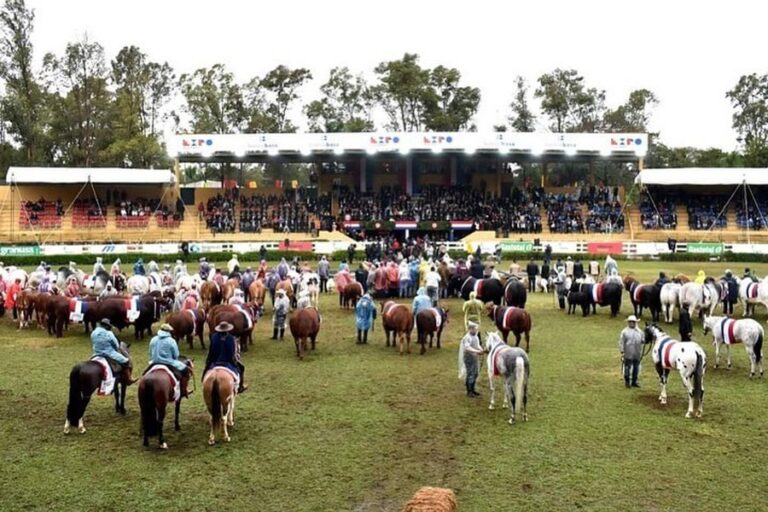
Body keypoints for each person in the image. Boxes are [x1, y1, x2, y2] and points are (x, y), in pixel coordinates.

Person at [145, 324, 190, 397]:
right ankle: (183, 390)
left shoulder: (153, 339)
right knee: (185, 370)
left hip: (154, 362)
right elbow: (176, 355)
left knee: (144, 374)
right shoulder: (171, 340)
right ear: (169, 332)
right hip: (169, 363)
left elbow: (150, 352)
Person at [205, 321, 247, 393]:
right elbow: (233, 353)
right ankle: (241, 386)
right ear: (228, 329)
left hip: (215, 362)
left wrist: (208, 361)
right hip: (228, 362)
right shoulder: (231, 338)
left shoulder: (213, 337)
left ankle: (203, 381)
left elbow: (211, 351)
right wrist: (235, 360)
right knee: (242, 368)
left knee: (206, 370)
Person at [458, 322, 483, 397]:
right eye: (475, 329)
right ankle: (469, 391)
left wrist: (481, 350)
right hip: (469, 358)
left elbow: (477, 345)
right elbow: (467, 347)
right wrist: (478, 351)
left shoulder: (475, 336)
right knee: (470, 373)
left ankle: (473, 389)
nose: (476, 330)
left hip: (474, 357)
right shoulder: (467, 337)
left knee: (475, 373)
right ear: (470, 329)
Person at [618, 315, 642, 388]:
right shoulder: (624, 332)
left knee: (636, 367)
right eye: (630, 322)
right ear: (628, 322)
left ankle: (634, 381)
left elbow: (643, 339)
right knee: (627, 368)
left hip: (637, 352)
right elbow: (621, 342)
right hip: (628, 352)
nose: (632, 323)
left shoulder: (639, 331)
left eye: (633, 322)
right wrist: (622, 351)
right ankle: (627, 382)